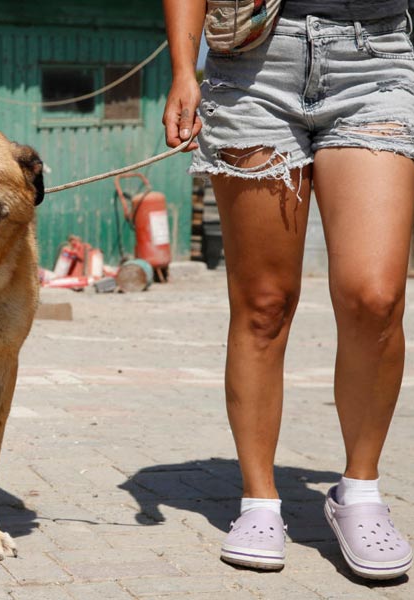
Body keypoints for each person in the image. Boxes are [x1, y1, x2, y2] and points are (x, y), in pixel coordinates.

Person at [162, 0, 414, 579]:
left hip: (375, 61)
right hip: (252, 62)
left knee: (375, 297)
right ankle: (259, 502)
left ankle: (360, 490)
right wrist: (183, 68)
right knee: (263, 304)